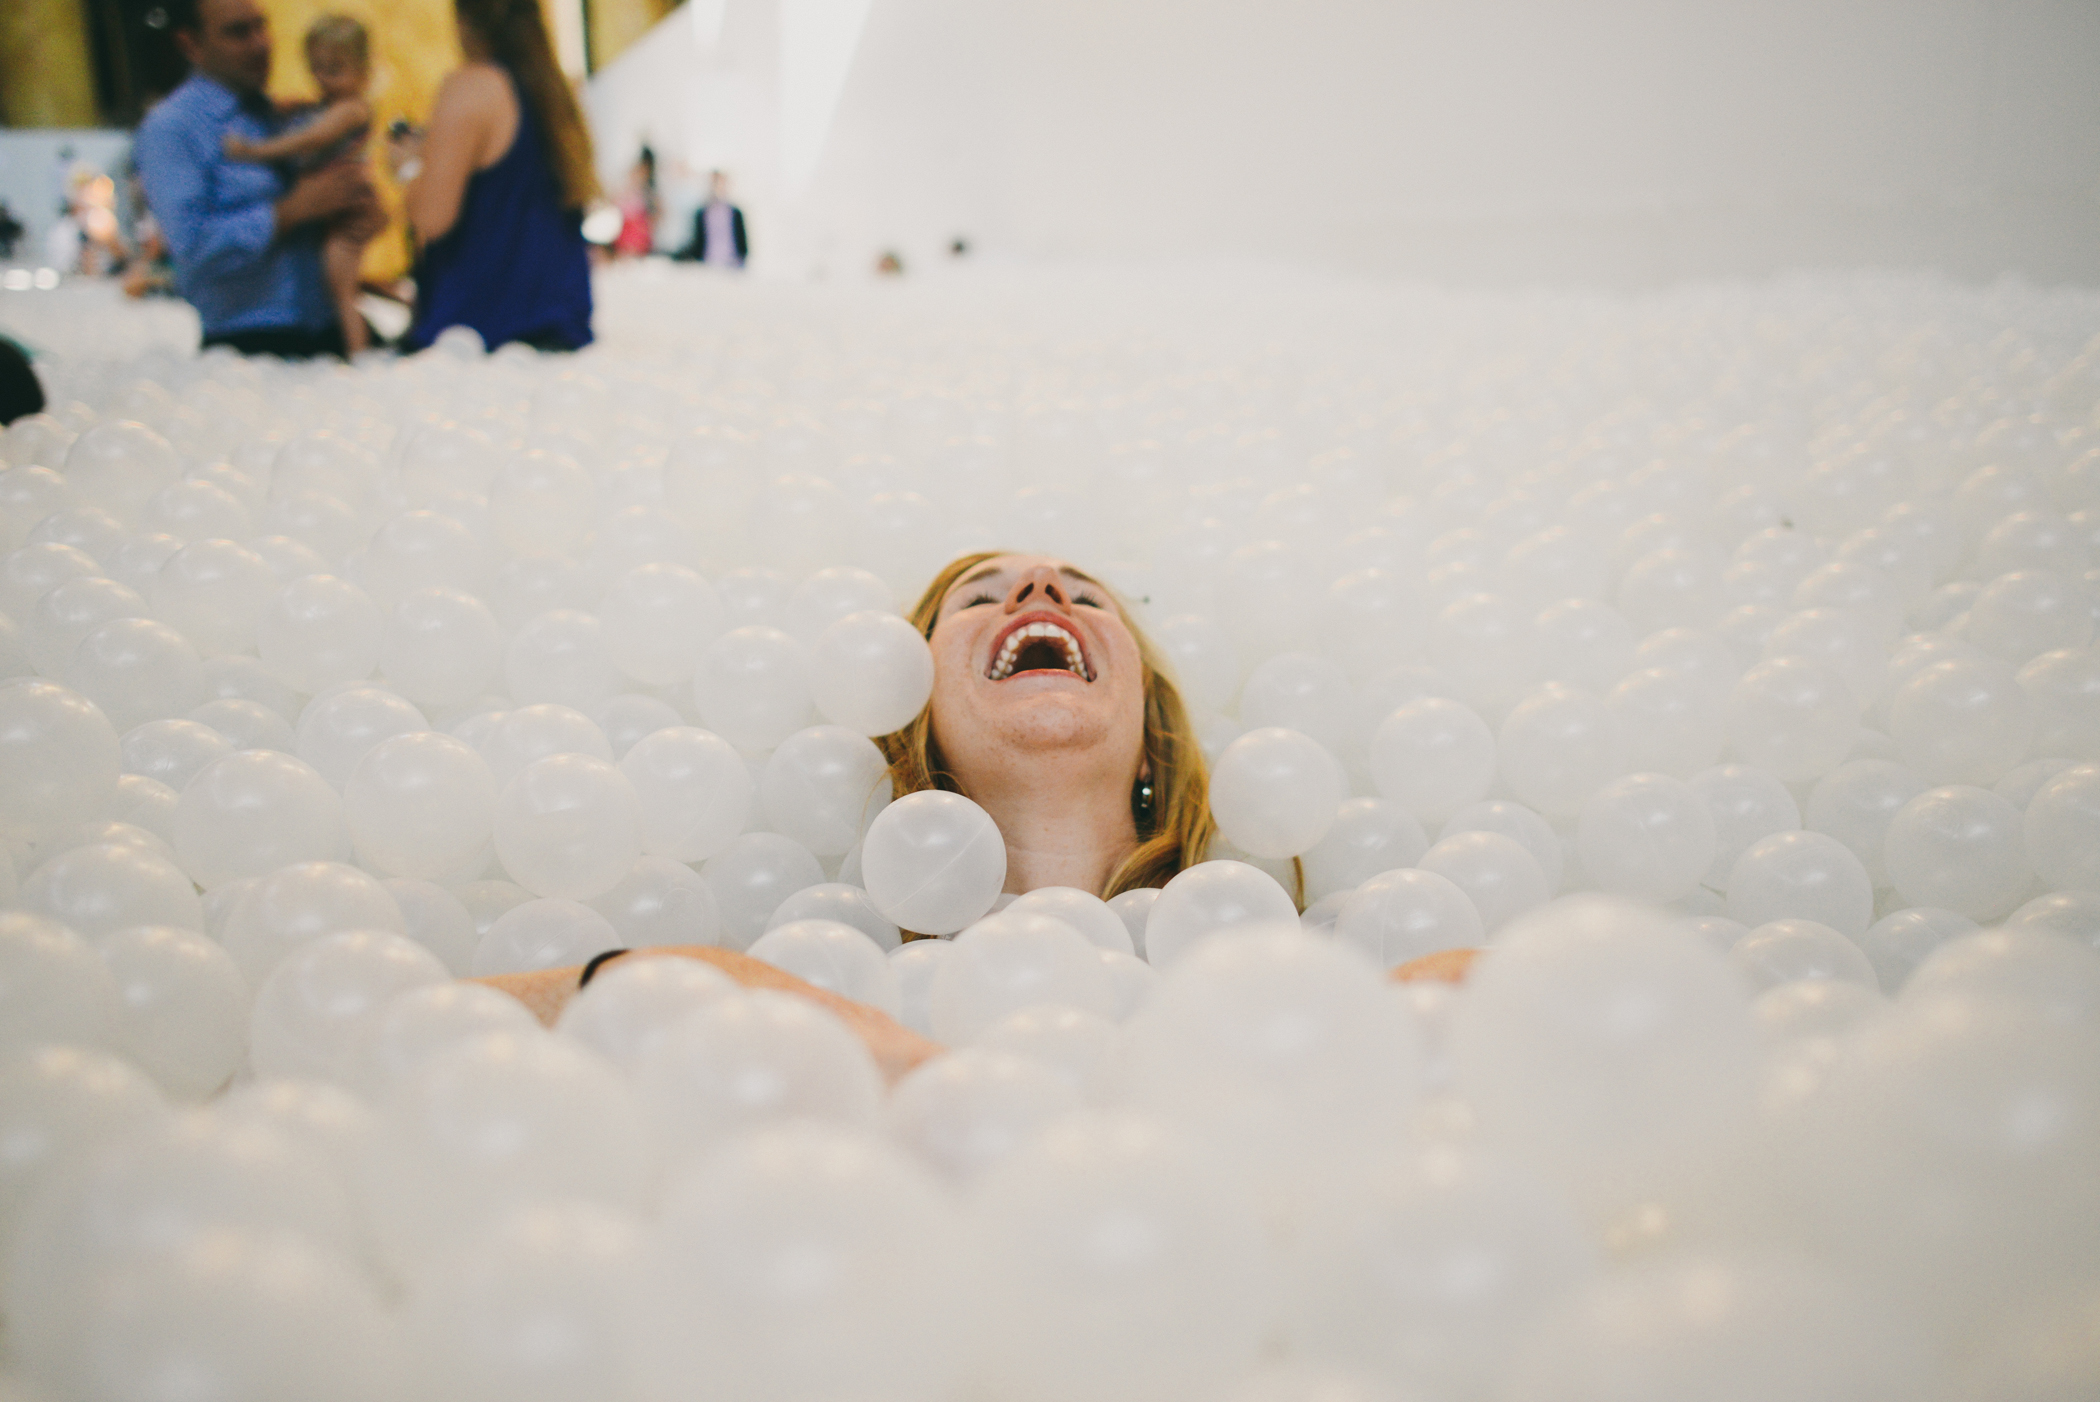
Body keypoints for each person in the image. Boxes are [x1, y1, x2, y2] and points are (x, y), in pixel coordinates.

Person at [132, 0, 379, 358]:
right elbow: (193, 249)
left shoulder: (282, 114)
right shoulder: (172, 127)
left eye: (262, 27)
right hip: (252, 342)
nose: (260, 44)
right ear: (192, 45)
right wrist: (291, 210)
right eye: (238, 32)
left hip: (327, 329)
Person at [389, 0, 596, 353]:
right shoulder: (553, 93)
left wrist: (408, 167)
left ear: (464, 18)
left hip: (483, 324)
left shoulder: (471, 86)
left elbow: (432, 219)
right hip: (561, 324)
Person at [220, 15, 384, 355]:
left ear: (362, 70)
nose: (323, 79)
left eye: (335, 69)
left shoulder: (351, 108)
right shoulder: (327, 105)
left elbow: (312, 138)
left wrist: (254, 151)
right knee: (338, 281)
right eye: (317, 68)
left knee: (341, 287)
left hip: (351, 208)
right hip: (334, 204)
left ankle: (360, 357)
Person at [674, 169, 746, 269]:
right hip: (706, 265)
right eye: (713, 184)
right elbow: (696, 243)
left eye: (719, 183)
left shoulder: (735, 213)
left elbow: (742, 243)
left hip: (733, 265)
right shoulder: (701, 213)